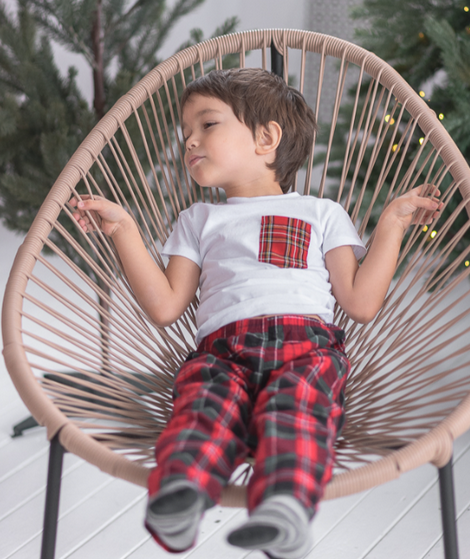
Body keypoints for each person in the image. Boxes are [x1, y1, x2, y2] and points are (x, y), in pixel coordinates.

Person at [71, 67, 442, 558]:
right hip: (222, 354)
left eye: (207, 124)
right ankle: (181, 496)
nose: (189, 141)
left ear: (266, 139)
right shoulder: (198, 220)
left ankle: (283, 509)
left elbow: (360, 302)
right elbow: (165, 306)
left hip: (307, 350)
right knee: (203, 408)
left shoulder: (321, 213)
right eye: (186, 132)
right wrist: (123, 231)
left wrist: (391, 223)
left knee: (297, 409)